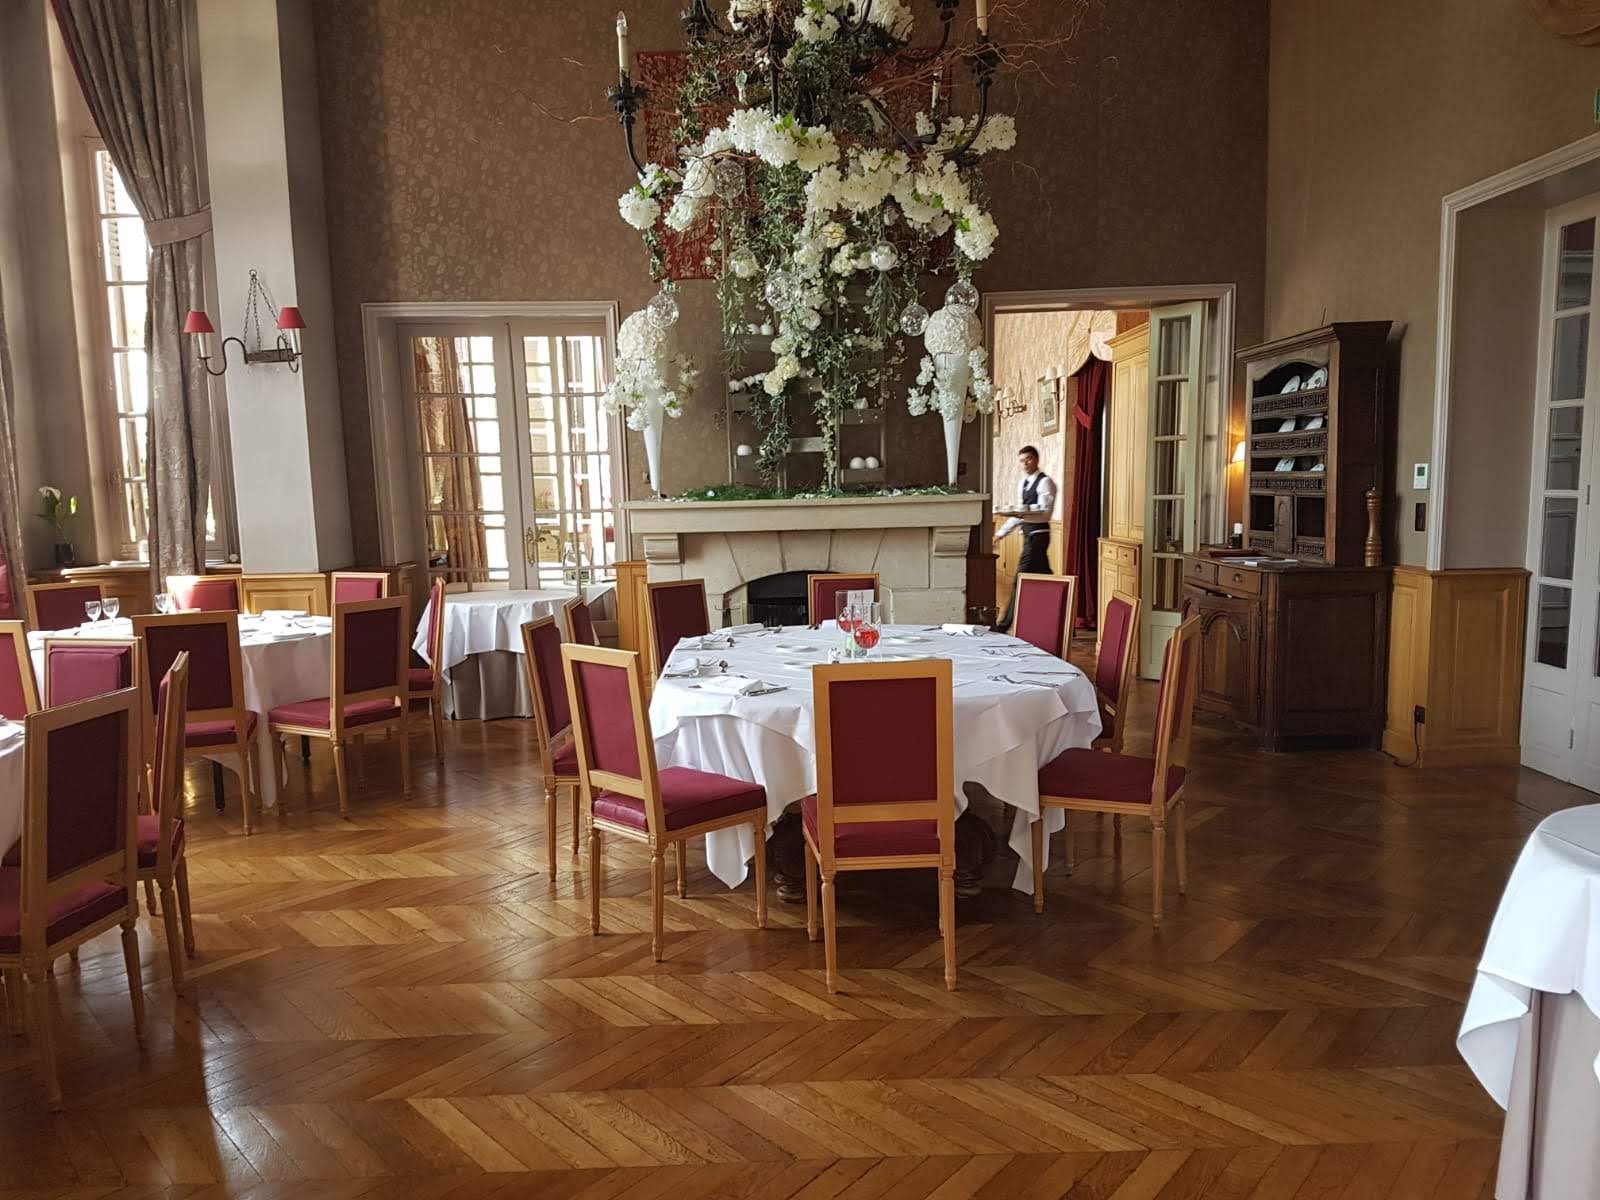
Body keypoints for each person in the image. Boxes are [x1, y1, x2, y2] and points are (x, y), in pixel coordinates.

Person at [994, 445, 1056, 632]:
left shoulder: (1045, 482)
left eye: (1028, 459)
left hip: (1039, 535)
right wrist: (1000, 534)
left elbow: (1045, 512)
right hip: (1028, 535)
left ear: (1036, 459)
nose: (1025, 463)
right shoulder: (1023, 483)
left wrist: (1022, 514)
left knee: (1019, 578)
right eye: (1022, 461)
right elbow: (1019, 514)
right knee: (1046, 579)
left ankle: (1003, 625)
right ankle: (1058, 616)